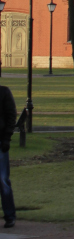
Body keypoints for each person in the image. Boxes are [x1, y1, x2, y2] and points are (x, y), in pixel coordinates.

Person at [0, 85, 17, 228]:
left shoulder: (4, 92)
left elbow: (11, 115)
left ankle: (10, 215)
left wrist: (6, 138)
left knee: (3, 180)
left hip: (0, 142)